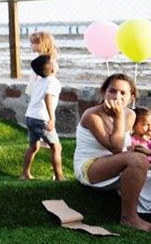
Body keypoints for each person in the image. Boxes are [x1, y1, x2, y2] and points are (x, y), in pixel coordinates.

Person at [73, 73, 151, 231]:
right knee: (137, 160)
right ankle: (129, 217)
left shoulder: (131, 115)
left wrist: (138, 151)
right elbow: (115, 147)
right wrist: (119, 116)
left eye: (123, 93)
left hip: (115, 165)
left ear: (132, 97)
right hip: (90, 168)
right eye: (112, 91)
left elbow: (122, 146)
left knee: (140, 160)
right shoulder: (92, 115)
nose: (117, 96)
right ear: (104, 92)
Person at [21, 54, 65, 180]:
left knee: (33, 146)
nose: (56, 62)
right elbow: (48, 97)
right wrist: (52, 118)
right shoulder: (53, 81)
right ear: (51, 69)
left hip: (30, 116)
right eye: (54, 61)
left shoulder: (39, 81)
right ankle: (59, 177)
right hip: (42, 118)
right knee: (56, 147)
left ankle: (25, 174)